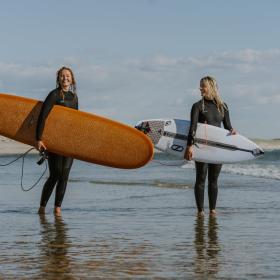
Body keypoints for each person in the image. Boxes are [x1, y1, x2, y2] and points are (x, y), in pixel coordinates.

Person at [184, 76, 236, 217]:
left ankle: (212, 210)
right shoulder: (197, 106)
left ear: (211, 87)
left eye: (203, 86)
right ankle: (200, 211)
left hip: (217, 149)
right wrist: (189, 146)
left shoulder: (223, 106)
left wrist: (233, 132)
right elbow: (193, 127)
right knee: (200, 178)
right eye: (200, 86)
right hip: (202, 147)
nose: (200, 88)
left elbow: (228, 127)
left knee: (213, 180)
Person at [37, 66, 78, 216]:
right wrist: (39, 139)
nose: (65, 78)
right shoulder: (54, 95)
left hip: (69, 142)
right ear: (58, 79)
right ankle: (42, 207)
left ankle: (57, 208)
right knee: (55, 174)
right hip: (54, 140)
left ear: (72, 79)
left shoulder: (74, 97)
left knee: (65, 174)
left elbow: (76, 121)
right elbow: (43, 117)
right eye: (62, 76)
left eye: (68, 76)